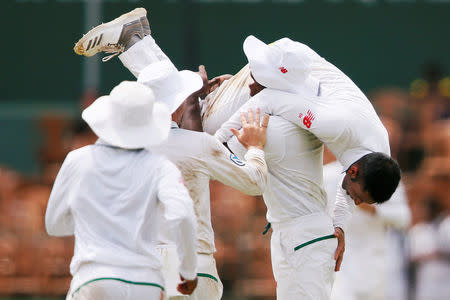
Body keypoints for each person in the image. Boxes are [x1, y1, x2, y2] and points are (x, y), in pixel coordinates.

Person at [74, 8, 270, 300]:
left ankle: (136, 42)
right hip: (193, 269)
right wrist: (255, 146)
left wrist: (194, 101)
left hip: (139, 269)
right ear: (180, 104)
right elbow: (255, 182)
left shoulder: (120, 148)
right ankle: (136, 42)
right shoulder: (198, 145)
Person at [45, 81, 199, 299]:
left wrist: (92, 217)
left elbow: (54, 224)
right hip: (147, 284)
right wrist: (189, 271)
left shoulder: (78, 160)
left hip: (95, 276)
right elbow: (182, 214)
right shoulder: (160, 166)